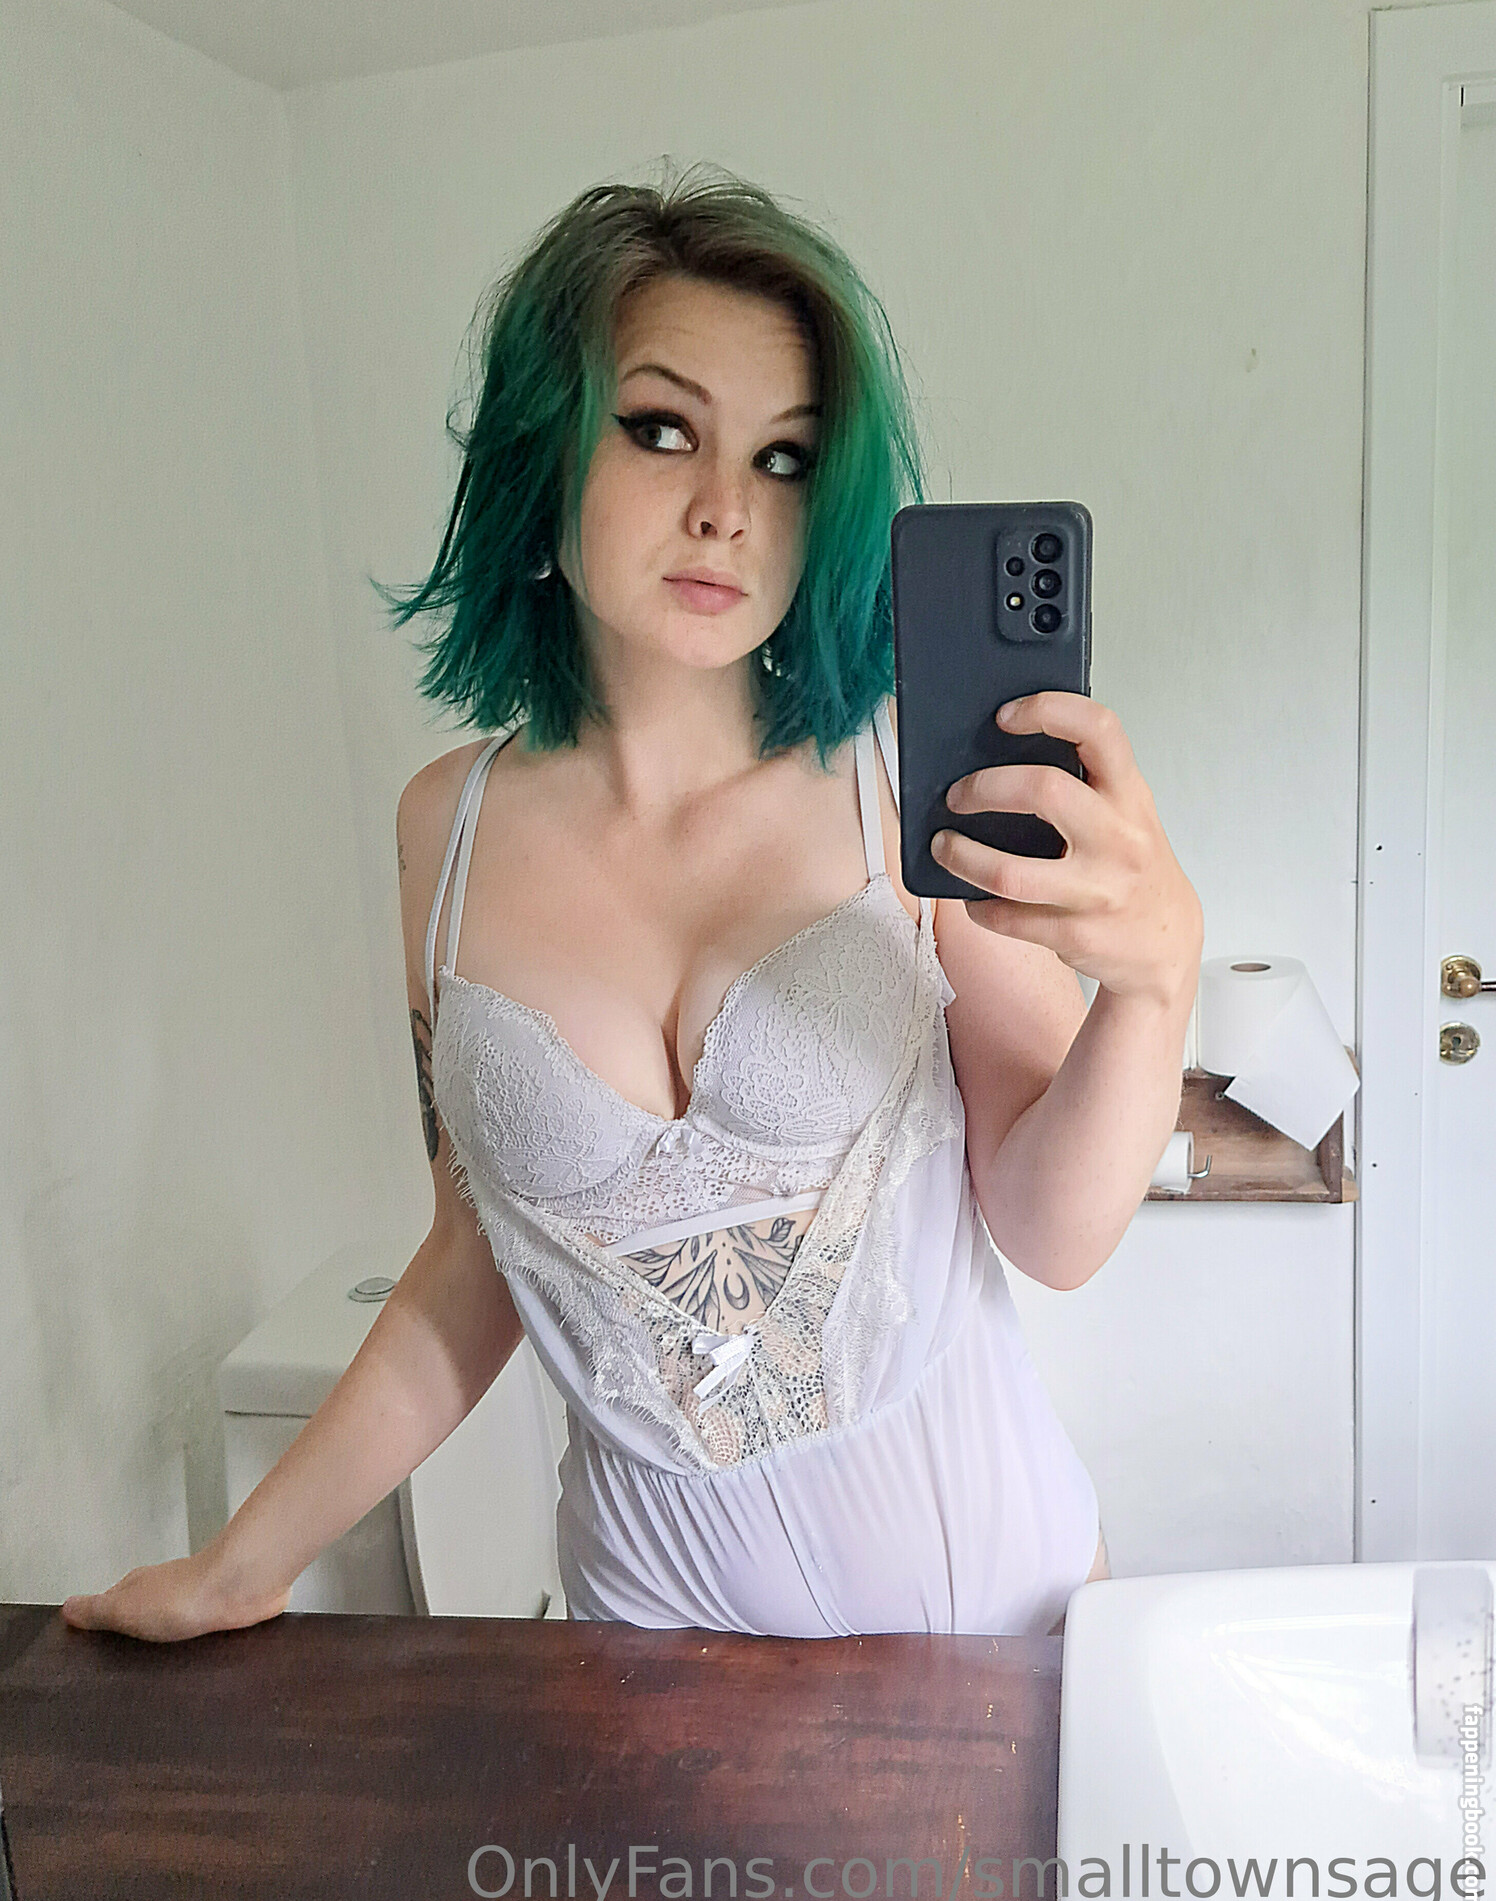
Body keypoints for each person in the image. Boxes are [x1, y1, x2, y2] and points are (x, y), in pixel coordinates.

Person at [63, 163, 1200, 1644]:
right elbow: (474, 1265)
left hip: (991, 1637)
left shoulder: (895, 791)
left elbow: (1055, 1232)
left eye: (785, 458)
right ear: (545, 453)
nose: (726, 510)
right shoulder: (444, 834)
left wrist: (1156, 983)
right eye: (662, 429)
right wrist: (241, 1565)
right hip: (650, 1655)